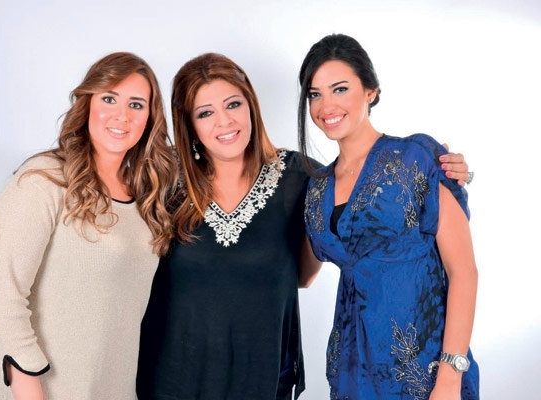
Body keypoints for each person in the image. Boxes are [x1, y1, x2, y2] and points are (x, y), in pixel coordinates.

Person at [135, 52, 471, 400]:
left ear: (251, 106)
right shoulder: (164, 181)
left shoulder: (299, 178)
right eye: (205, 113)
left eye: (233, 104)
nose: (224, 121)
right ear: (189, 124)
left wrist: (443, 171)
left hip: (263, 377)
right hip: (172, 378)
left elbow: (318, 255)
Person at [0, 52, 179, 399]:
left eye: (136, 105)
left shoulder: (147, 197)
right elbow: (4, 294)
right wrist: (30, 388)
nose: (122, 115)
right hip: (43, 388)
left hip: (113, 388)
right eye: (109, 99)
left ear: (150, 118)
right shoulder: (42, 180)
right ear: (87, 104)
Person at [298, 33, 479, 399]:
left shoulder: (416, 157)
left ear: (370, 91)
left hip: (425, 370)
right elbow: (303, 275)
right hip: (352, 371)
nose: (326, 105)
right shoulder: (317, 187)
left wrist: (450, 376)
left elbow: (463, 271)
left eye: (340, 89)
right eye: (314, 94)